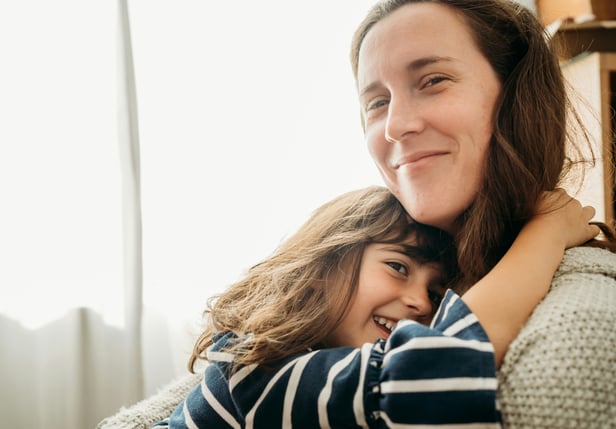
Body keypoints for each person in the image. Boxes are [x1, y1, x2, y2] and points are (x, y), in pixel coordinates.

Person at [350, 0, 616, 426]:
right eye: (377, 102)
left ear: (517, 97)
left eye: (433, 80)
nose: (395, 125)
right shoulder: (358, 259)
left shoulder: (576, 343)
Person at [153, 185, 597, 428]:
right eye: (398, 267)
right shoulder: (252, 368)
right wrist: (547, 233)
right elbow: (431, 371)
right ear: (324, 262)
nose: (421, 302)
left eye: (438, 292)